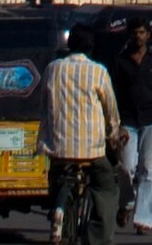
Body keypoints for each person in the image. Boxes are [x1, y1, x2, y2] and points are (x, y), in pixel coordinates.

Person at [42, 26, 123, 245]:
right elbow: (111, 110)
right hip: (91, 151)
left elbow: (45, 103)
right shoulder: (98, 72)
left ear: (69, 45)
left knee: (57, 179)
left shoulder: (52, 69)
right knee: (106, 188)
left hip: (58, 148)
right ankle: (96, 238)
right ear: (91, 47)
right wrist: (114, 134)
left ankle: (58, 207)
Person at [110, 19, 152, 235]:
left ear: (148, 35)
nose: (138, 36)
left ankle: (144, 219)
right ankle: (126, 203)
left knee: (148, 169)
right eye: (135, 33)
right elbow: (113, 96)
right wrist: (115, 125)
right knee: (126, 167)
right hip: (128, 121)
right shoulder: (121, 62)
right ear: (130, 35)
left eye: (142, 32)